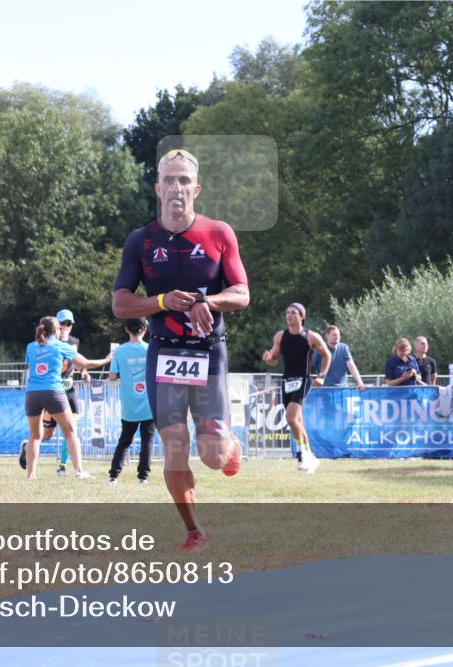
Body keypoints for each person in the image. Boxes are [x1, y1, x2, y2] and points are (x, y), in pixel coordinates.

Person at [111, 148, 249, 553]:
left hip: (208, 353)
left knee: (212, 455)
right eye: (169, 180)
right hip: (165, 353)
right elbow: (120, 303)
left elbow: (241, 293)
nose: (176, 187)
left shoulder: (219, 233)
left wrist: (211, 302)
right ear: (157, 188)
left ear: (197, 189)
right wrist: (159, 302)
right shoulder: (140, 240)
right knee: (173, 443)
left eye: (184, 180)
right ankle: (194, 531)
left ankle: (229, 445)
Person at [35, 309, 111, 475]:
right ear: (56, 326)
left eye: (69, 324)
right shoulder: (45, 343)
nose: (66, 327)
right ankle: (28, 445)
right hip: (53, 391)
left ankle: (64, 466)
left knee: (72, 428)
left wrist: (83, 372)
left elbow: (76, 363)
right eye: (63, 324)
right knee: (47, 434)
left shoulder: (73, 341)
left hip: (68, 391)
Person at [23, 316, 95, 480]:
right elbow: (85, 363)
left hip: (32, 393)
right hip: (53, 392)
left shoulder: (30, 347)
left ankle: (31, 475)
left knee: (35, 436)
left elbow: (32, 366)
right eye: (60, 327)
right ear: (56, 330)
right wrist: (107, 359)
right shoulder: (61, 346)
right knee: (70, 432)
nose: (63, 329)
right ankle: (78, 471)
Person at [262, 303, 331, 473]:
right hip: (286, 381)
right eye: (287, 313)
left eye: (293, 313)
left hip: (304, 379)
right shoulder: (280, 336)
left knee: (291, 418)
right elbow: (274, 359)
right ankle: (311, 457)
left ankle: (301, 453)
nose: (289, 316)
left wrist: (321, 376)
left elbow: (327, 355)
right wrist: (268, 358)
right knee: (297, 422)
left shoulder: (310, 337)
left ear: (302, 317)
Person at [107, 318, 155, 485]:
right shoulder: (150, 349)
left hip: (129, 404)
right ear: (145, 330)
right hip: (149, 403)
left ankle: (113, 475)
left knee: (125, 441)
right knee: (147, 441)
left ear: (127, 330)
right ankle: (143, 477)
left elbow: (112, 376)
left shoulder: (120, 351)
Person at [312, 325, 367, 391]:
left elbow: (351, 365)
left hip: (342, 388)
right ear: (327, 336)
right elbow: (311, 364)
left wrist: (360, 382)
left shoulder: (344, 348)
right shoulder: (321, 349)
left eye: (338, 335)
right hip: (325, 389)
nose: (337, 337)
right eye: (334, 335)